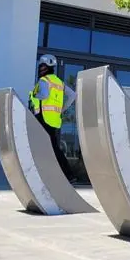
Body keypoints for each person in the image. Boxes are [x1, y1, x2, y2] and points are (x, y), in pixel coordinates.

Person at [28, 54, 78, 183]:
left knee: (46, 147)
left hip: (43, 118)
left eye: (42, 66)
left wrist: (34, 94)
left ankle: (67, 175)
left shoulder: (44, 80)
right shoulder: (59, 82)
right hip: (54, 120)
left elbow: (44, 95)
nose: (41, 69)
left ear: (46, 67)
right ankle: (64, 175)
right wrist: (62, 109)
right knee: (51, 147)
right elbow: (72, 95)